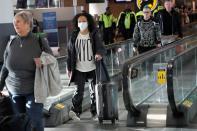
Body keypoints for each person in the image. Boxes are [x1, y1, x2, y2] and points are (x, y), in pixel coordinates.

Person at [0, 11, 53, 131]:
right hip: (14, 90)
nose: (15, 24)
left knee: (34, 121)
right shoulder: (11, 42)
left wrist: (42, 61)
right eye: (14, 22)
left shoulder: (39, 41)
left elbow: (51, 58)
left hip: (34, 89)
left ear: (27, 23)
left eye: (18, 21)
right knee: (20, 122)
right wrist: (0, 85)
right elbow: (5, 66)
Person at [67, 12, 106, 121]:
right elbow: (70, 53)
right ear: (76, 23)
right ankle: (75, 111)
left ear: (88, 22)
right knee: (78, 91)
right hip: (79, 68)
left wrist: (99, 54)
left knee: (94, 91)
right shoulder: (74, 35)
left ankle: (95, 112)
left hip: (93, 67)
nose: (82, 23)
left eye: (84, 21)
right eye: (79, 21)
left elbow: (102, 48)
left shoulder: (94, 33)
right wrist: (69, 68)